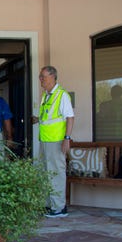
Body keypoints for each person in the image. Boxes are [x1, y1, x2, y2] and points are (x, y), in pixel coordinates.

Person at [31, 66, 74, 218]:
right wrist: (37, 120)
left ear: (53, 77)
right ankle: (49, 205)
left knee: (56, 174)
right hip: (44, 141)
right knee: (45, 173)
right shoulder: (46, 96)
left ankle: (59, 207)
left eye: (43, 76)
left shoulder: (62, 95)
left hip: (56, 141)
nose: (41, 79)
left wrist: (66, 139)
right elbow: (49, 117)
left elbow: (70, 117)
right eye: (40, 76)